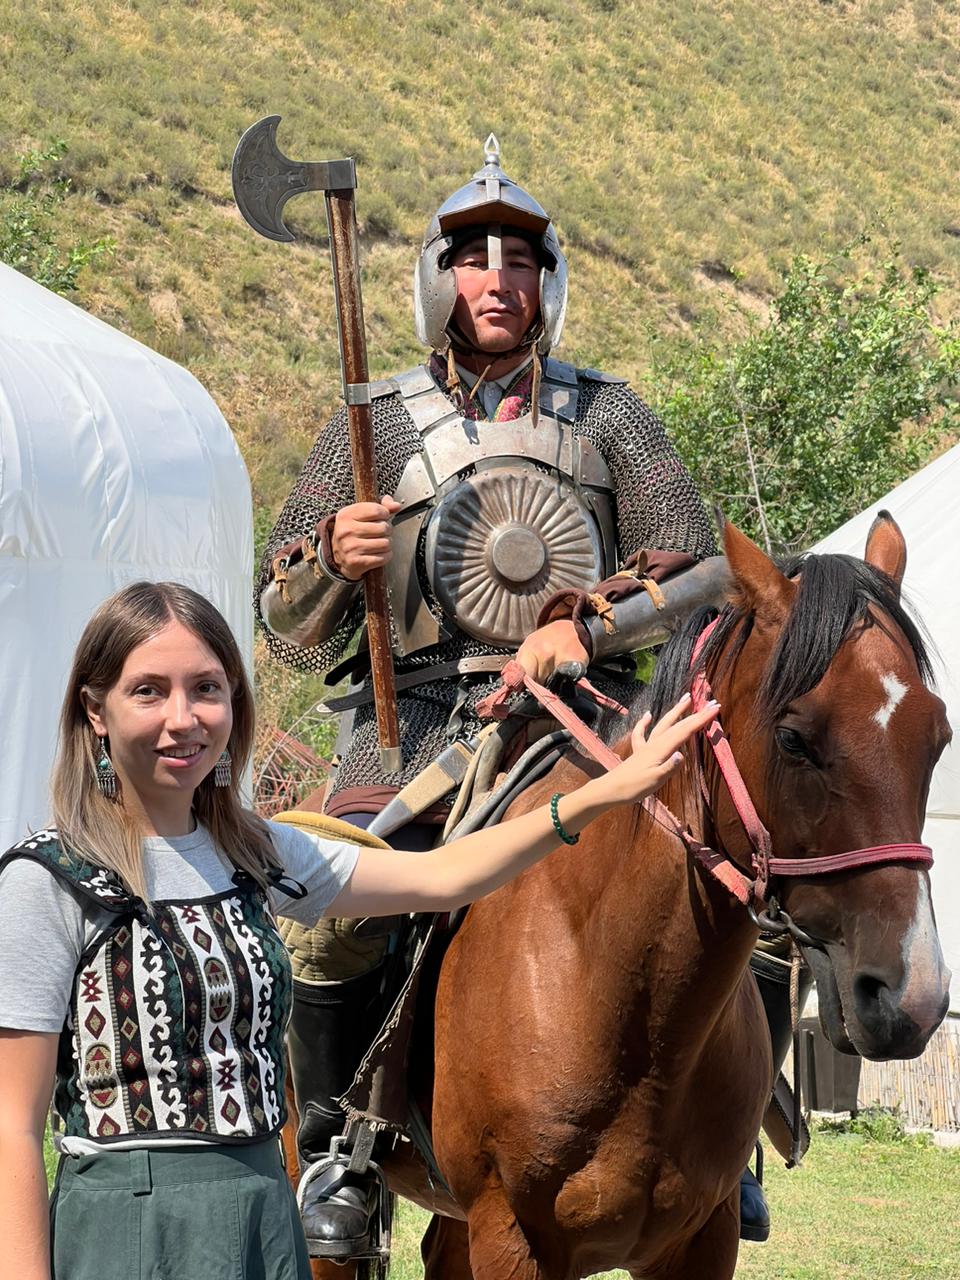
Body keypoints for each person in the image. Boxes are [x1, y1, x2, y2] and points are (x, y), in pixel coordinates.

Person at [255, 136, 729, 1253]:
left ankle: (729, 1136)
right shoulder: (375, 424)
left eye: (520, 258)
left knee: (720, 869)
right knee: (336, 916)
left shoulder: (610, 415)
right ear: (441, 277)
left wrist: (591, 620)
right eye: (475, 258)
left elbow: (704, 566)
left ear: (547, 282)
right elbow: (279, 620)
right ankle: (344, 1153)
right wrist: (333, 552)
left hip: (592, 722)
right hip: (416, 723)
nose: (498, 279)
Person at [0, 580, 716, 1280]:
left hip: (260, 1209)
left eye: (207, 689)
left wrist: (602, 795)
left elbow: (446, 879)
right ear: (96, 711)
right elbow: (12, 1129)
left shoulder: (259, 852)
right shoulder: (48, 879)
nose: (183, 718)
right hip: (129, 1218)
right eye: (148, 691)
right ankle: (344, 1157)